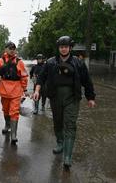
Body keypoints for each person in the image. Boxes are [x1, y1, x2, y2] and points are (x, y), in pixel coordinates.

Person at [33, 36, 96, 170]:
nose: (63, 49)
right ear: (58, 48)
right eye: (61, 46)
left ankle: (67, 156)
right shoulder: (50, 62)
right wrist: (37, 91)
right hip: (55, 97)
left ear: (70, 48)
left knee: (70, 124)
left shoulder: (78, 63)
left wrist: (91, 97)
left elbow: (87, 81)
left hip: (72, 98)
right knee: (58, 122)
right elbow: (41, 78)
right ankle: (60, 142)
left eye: (66, 46)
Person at [0, 42, 28, 144]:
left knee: (14, 111)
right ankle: (7, 125)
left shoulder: (19, 62)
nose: (12, 50)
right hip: (4, 90)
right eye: (10, 48)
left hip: (16, 90)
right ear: (5, 49)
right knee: (6, 109)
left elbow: (24, 76)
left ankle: (14, 135)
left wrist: (25, 89)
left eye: (14, 48)